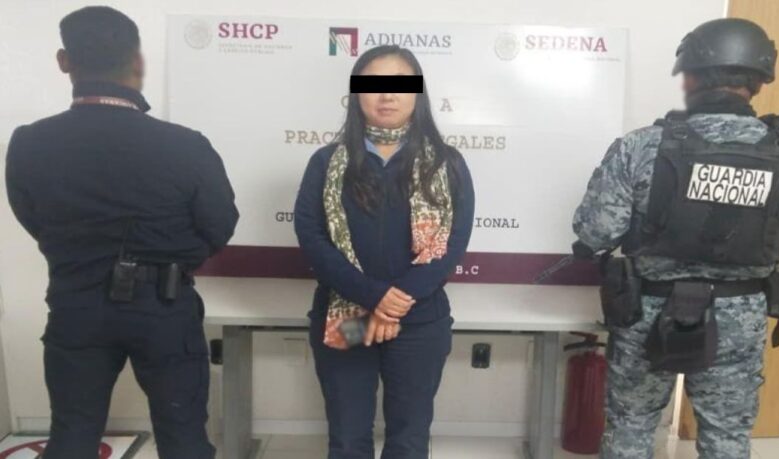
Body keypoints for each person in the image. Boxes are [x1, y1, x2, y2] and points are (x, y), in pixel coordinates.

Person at [573, 18, 779, 459]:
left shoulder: (641, 146)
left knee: (631, 428)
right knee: (726, 437)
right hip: (739, 313)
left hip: (646, 308)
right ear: (759, 81)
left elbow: (596, 231)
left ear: (690, 77)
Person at [5, 6, 238, 458]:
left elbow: (32, 217)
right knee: (184, 439)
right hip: (164, 305)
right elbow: (219, 226)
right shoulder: (184, 145)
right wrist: (173, 257)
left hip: (76, 302)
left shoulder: (30, 142)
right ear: (137, 61)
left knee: (72, 437)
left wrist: (82, 254)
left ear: (64, 61)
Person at [294, 45, 475, 459]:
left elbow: (452, 242)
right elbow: (312, 236)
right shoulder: (327, 163)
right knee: (347, 437)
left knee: (409, 440)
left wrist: (394, 304)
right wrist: (373, 296)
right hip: (347, 318)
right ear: (356, 94)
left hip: (419, 323)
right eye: (374, 84)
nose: (387, 95)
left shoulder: (446, 164)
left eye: (400, 85)